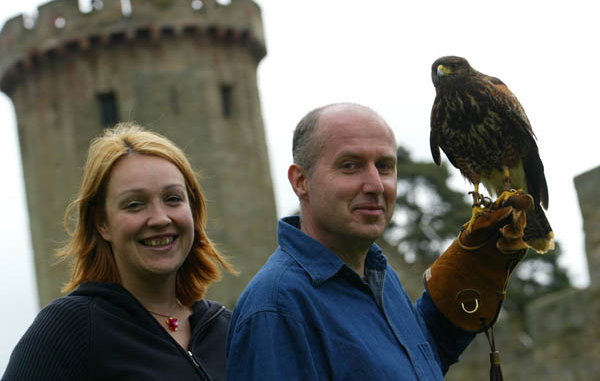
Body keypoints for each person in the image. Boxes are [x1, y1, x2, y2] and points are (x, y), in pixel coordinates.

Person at [226, 103, 529, 380]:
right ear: (300, 181)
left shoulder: (379, 276)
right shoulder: (277, 307)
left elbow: (411, 365)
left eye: (384, 166)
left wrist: (470, 273)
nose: (375, 185)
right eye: (350, 165)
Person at [3, 123, 236, 381]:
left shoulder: (228, 328)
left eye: (173, 199)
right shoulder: (70, 329)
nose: (160, 219)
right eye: (134, 204)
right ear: (102, 223)